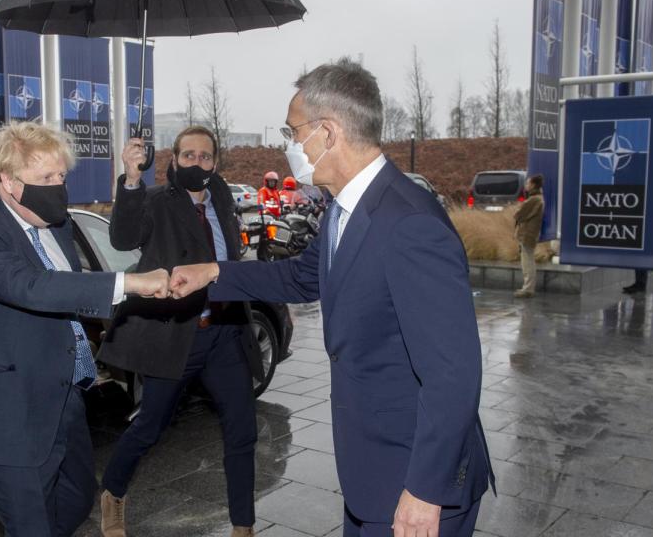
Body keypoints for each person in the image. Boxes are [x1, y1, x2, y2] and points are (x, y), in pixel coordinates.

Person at [169, 58, 493, 537]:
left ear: (328, 132)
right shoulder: (345, 208)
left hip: (416, 483)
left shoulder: (409, 222)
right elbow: (302, 278)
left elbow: (453, 372)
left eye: (292, 130)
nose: (289, 144)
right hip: (373, 472)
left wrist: (426, 491)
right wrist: (214, 272)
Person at [0, 121, 170, 537]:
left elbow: (70, 290)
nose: (58, 187)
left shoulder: (55, 223)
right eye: (45, 178)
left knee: (78, 498)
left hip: (62, 395)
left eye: (61, 176)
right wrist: (130, 283)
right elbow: (30, 286)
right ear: (7, 180)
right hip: (5, 408)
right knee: (31, 525)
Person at [97, 126, 262, 537]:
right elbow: (122, 237)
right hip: (179, 334)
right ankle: (113, 494)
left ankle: (244, 526)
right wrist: (132, 178)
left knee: (242, 429)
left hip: (225, 331)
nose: (197, 163)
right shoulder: (156, 200)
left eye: (205, 157)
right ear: (174, 159)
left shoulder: (223, 197)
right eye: (188, 156)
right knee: (150, 425)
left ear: (215, 162)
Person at [513, 174, 545, 298]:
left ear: (533, 185)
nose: (526, 185)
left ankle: (528, 288)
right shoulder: (537, 198)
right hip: (530, 233)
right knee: (527, 260)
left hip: (528, 234)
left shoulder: (534, 199)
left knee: (527, 262)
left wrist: (518, 211)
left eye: (528, 183)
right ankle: (528, 287)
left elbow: (518, 214)